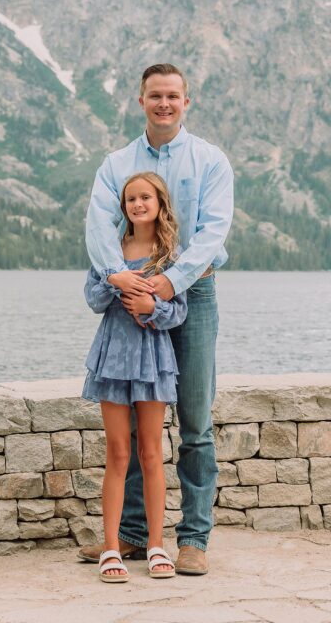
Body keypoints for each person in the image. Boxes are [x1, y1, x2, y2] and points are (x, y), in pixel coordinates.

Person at [81, 62, 234, 576]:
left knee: (194, 421)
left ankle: (193, 539)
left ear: (186, 102)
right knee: (130, 419)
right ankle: (130, 536)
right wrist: (116, 276)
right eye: (155, 96)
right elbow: (98, 224)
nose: (164, 103)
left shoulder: (210, 161)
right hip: (128, 297)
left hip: (194, 292)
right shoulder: (117, 162)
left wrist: (168, 284)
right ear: (141, 100)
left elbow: (213, 234)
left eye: (173, 96)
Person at [82, 171, 187, 582]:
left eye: (146, 198)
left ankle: (156, 545)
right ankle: (112, 548)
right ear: (123, 207)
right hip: (112, 358)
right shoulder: (109, 250)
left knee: (150, 452)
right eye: (131, 199)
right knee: (117, 454)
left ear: (160, 204)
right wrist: (114, 278)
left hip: (152, 359)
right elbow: (92, 299)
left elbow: (178, 312)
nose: (138, 204)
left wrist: (151, 307)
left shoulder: (170, 257)